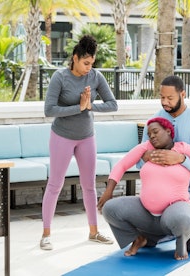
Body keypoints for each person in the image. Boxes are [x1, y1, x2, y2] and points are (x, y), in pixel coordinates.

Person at [101, 75, 190, 255]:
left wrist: (181, 160)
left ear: (183, 95)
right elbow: (139, 160)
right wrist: (147, 156)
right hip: (156, 197)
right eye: (162, 97)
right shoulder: (154, 122)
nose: (165, 102)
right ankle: (163, 233)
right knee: (156, 230)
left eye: (170, 98)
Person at [40, 35, 117, 250]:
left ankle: (94, 231)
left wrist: (91, 106)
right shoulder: (60, 77)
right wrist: (79, 108)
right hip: (62, 137)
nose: (88, 68)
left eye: (92, 63)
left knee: (89, 186)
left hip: (87, 137)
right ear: (75, 58)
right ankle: (46, 234)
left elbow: (113, 105)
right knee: (55, 184)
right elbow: (49, 110)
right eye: (85, 63)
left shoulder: (96, 76)